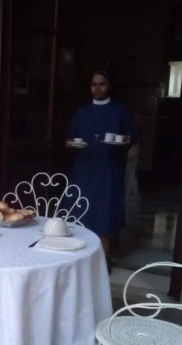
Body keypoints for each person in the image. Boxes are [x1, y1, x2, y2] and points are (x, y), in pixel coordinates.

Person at [65, 70, 137, 268]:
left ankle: (103, 258)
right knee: (81, 210)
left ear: (109, 86)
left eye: (102, 84)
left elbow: (131, 136)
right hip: (84, 169)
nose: (97, 88)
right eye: (94, 84)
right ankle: (78, 256)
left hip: (109, 168)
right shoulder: (82, 112)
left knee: (105, 212)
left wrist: (124, 141)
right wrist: (70, 144)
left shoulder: (120, 111)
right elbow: (69, 139)